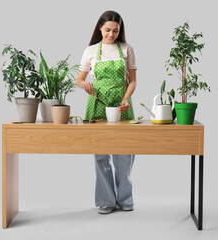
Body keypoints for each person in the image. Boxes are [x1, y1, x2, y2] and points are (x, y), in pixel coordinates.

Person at [76, 10, 137, 214]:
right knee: (101, 154)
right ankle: (105, 200)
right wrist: (85, 84)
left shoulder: (127, 49)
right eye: (107, 30)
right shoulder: (90, 50)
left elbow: (133, 80)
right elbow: (79, 79)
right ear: (100, 28)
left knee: (125, 153)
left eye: (116, 31)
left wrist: (126, 98)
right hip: (97, 106)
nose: (111, 35)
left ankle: (125, 198)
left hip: (122, 106)